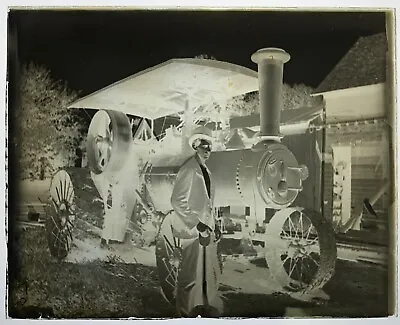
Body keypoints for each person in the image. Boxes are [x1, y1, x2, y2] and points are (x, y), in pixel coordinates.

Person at [170, 125, 223, 317]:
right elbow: (177, 200)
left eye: (210, 147)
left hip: (205, 232)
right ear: (195, 146)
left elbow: (207, 202)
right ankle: (184, 315)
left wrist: (213, 225)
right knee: (189, 279)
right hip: (192, 232)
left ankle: (201, 314)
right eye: (204, 146)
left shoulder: (205, 171)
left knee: (206, 277)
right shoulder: (189, 169)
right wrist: (196, 224)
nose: (208, 150)